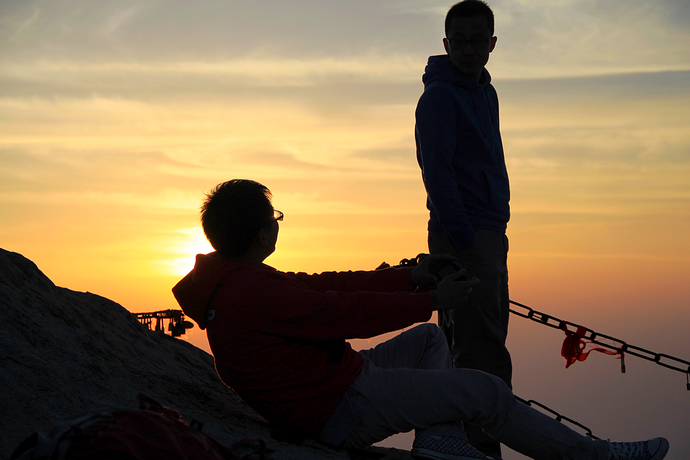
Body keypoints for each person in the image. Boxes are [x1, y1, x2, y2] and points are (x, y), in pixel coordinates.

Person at [172, 179, 669, 460]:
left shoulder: (238, 281)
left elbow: (330, 284)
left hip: (333, 384)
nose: (276, 226)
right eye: (275, 219)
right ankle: (599, 459)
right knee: (485, 392)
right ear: (262, 234)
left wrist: (413, 276)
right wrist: (433, 300)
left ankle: (438, 441)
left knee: (431, 341)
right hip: (337, 408)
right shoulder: (252, 293)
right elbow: (342, 312)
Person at [415, 1, 511, 456]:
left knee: (485, 335)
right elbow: (437, 171)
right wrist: (466, 237)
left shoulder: (485, 92)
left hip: (489, 230)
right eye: (460, 41)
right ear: (446, 43)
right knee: (479, 345)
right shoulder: (439, 96)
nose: (469, 49)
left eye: (478, 40)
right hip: (466, 233)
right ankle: (480, 442)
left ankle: (468, 437)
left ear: (492, 44)